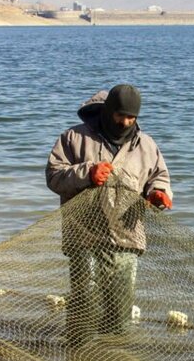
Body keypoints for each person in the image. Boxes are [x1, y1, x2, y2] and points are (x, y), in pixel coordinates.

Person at [45, 84, 171, 346]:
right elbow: (54, 176)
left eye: (131, 117)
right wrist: (87, 173)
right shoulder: (74, 138)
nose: (125, 122)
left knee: (119, 314)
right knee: (85, 304)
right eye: (120, 115)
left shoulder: (146, 145)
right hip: (84, 236)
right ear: (108, 111)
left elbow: (158, 177)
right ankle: (78, 355)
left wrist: (158, 193)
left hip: (126, 236)